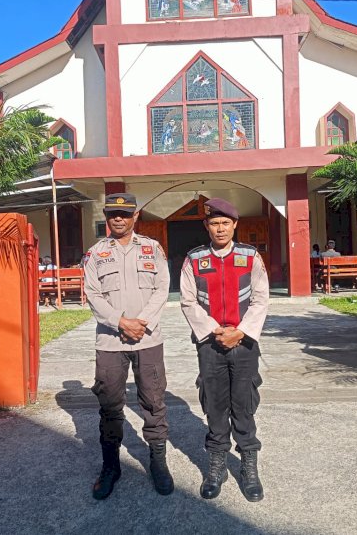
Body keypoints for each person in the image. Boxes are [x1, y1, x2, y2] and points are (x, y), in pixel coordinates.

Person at [82, 193, 173, 499]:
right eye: (112, 214)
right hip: (110, 342)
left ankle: (158, 463)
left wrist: (141, 321)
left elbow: (163, 288)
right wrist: (122, 322)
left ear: (135, 216)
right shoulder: (95, 254)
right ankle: (111, 467)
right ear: (107, 217)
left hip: (148, 339)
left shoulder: (153, 248)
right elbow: (93, 295)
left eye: (124, 213)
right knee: (109, 407)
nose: (118, 218)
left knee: (153, 402)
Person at [180, 198, 270, 502]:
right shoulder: (194, 259)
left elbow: (261, 299)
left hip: (244, 343)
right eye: (214, 223)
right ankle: (216, 466)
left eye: (225, 223)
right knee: (215, 406)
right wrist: (213, 331)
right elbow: (188, 301)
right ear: (207, 226)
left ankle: (248, 467)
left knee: (244, 405)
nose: (220, 228)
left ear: (235, 225)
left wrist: (241, 331)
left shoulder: (250, 256)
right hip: (210, 344)